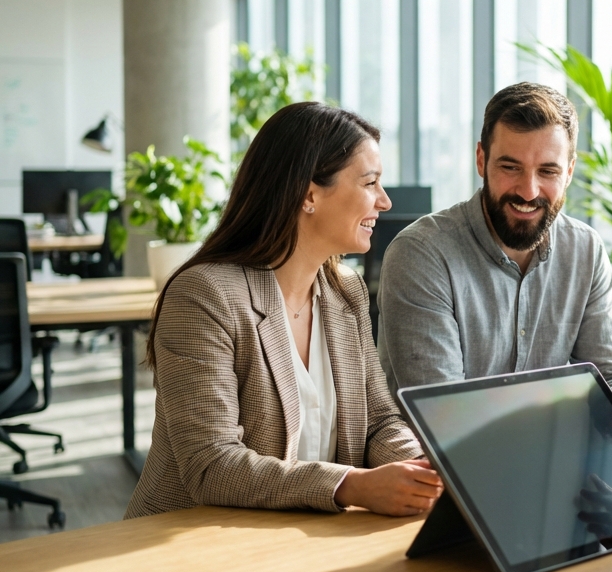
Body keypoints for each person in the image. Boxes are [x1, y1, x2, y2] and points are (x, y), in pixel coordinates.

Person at [126, 103, 443, 519]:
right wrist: (350, 485)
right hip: (192, 540)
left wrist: (424, 468)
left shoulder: (344, 291)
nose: (384, 201)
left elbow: (378, 422)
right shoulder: (204, 295)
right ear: (309, 195)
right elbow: (211, 464)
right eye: (370, 183)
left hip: (307, 536)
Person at [376, 81, 612, 420]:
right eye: (510, 167)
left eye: (548, 171)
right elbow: (444, 416)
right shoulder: (421, 254)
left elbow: (611, 375)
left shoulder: (585, 250)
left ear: (569, 172)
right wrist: (574, 413)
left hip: (557, 450)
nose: (528, 191)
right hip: (440, 456)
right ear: (481, 159)